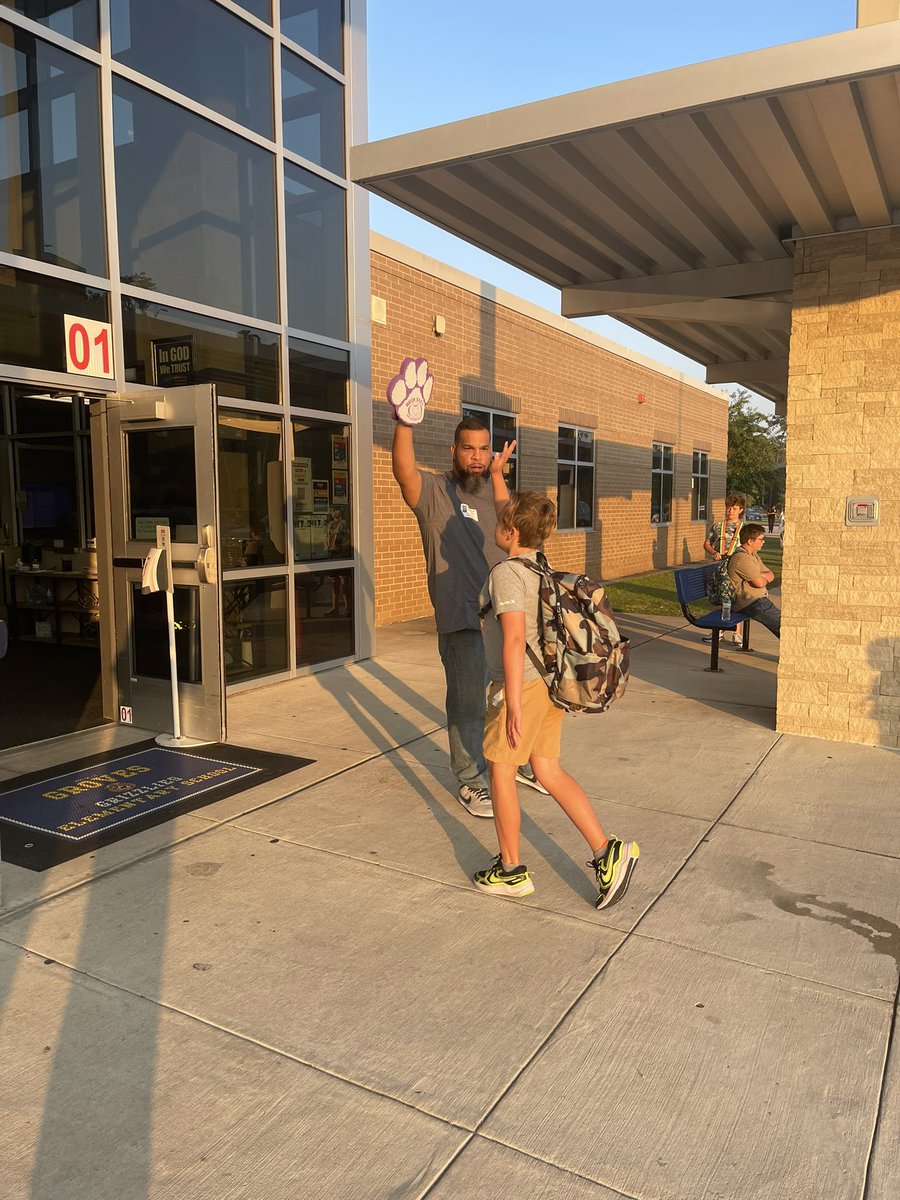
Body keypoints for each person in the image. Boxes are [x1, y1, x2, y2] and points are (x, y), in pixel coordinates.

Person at [473, 488, 639, 908]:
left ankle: (510, 870)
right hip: (547, 687)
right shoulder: (537, 565)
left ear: (510, 531)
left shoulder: (507, 574)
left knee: (502, 773)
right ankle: (607, 852)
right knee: (548, 771)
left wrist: (510, 703)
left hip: (521, 688)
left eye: (501, 520)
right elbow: (513, 517)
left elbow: (513, 640)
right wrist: (497, 477)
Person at [391, 407, 546, 819]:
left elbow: (521, 536)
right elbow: (404, 471)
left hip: (505, 618)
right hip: (461, 616)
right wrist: (404, 423)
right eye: (468, 448)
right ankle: (471, 779)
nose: (476, 456)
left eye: (482, 449)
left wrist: (499, 474)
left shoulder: (498, 495)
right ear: (453, 450)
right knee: (467, 705)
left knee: (509, 698)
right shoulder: (434, 492)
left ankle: (516, 762)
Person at [702, 493, 745, 647]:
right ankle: (718, 630)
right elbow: (707, 543)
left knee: (736, 598)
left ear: (740, 510)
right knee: (720, 597)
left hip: (736, 569)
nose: (730, 511)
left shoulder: (744, 528)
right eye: (728, 508)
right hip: (719, 569)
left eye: (734, 508)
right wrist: (714, 552)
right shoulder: (718, 526)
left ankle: (737, 633)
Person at [726, 523, 781, 639]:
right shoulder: (742, 558)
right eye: (761, 539)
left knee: (785, 623)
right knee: (783, 625)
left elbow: (771, 574)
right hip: (749, 603)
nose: (763, 542)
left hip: (758, 600)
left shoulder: (752, 555)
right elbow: (760, 583)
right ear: (750, 541)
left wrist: (758, 575)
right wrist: (759, 578)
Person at [324, 508, 351, 617]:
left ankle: (348, 607)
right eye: (332, 511)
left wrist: (343, 547)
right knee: (334, 583)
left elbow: (349, 539)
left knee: (344, 583)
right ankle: (335, 607)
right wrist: (327, 546)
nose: (334, 513)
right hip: (331, 555)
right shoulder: (330, 524)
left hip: (342, 555)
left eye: (336, 511)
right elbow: (326, 538)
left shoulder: (344, 524)